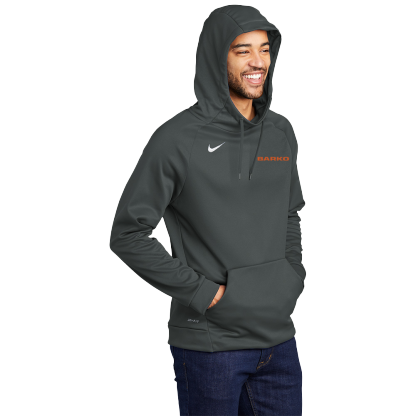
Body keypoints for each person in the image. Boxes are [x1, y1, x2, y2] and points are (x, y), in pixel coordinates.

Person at [109, 5, 307, 415]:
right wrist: (205, 294)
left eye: (264, 49)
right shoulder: (177, 139)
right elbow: (128, 234)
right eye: (243, 50)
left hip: (278, 341)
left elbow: (289, 212)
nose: (258, 62)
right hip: (210, 346)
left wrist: (291, 276)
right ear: (217, 56)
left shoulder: (281, 131)